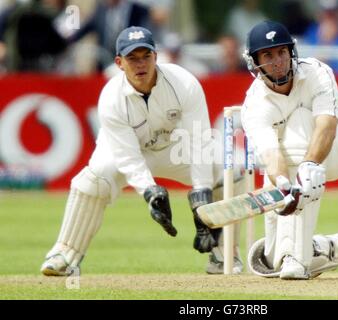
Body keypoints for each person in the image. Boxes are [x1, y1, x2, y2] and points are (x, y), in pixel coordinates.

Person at [40, 26, 243, 276]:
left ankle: (225, 254)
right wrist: (150, 192)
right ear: (119, 63)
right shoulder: (111, 98)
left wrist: (201, 198)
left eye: (145, 56)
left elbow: (199, 141)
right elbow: (127, 157)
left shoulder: (184, 83)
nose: (140, 64)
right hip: (128, 150)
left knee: (227, 169)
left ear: (156, 57)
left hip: (174, 148)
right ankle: (65, 255)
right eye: (132, 58)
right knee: (94, 178)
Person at [241, 20, 338, 280]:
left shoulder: (317, 72)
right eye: (268, 55)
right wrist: (284, 185)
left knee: (300, 119)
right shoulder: (254, 105)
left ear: (291, 52)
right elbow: (271, 156)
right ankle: (320, 248)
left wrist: (309, 166)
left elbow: (326, 126)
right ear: (254, 61)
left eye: (282, 52)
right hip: (292, 162)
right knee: (272, 260)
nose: (278, 60)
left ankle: (297, 258)